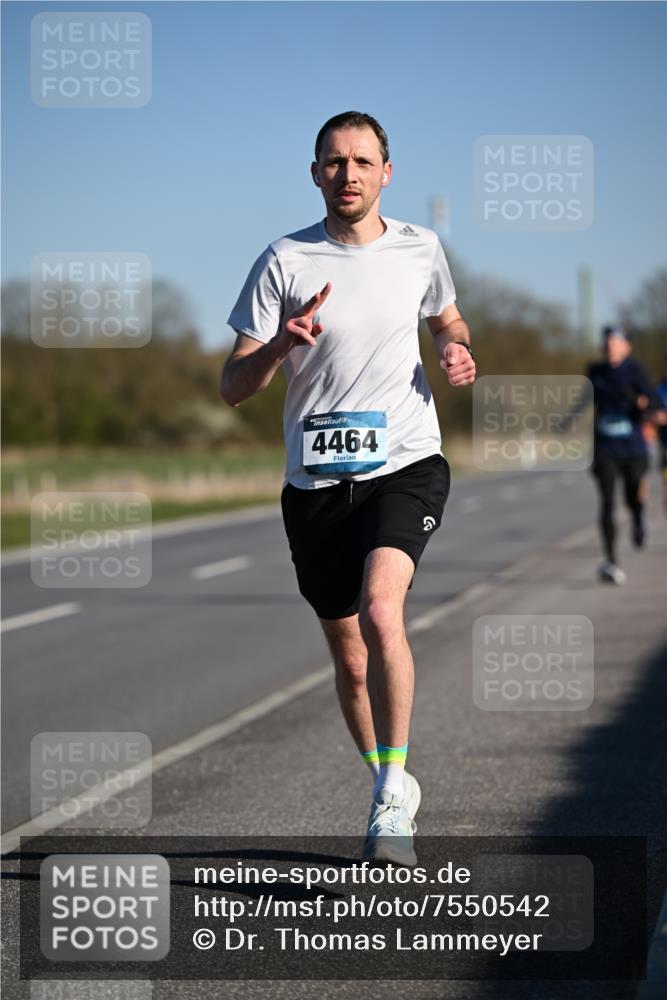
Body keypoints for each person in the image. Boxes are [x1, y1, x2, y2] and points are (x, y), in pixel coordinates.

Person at [221, 111, 475, 866]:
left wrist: (456, 350)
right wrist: (279, 344)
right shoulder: (283, 260)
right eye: (334, 162)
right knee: (351, 657)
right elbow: (233, 386)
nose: (348, 174)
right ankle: (386, 778)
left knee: (380, 609)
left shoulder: (420, 247)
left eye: (362, 161)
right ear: (314, 173)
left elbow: (447, 320)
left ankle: (391, 797)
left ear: (386, 173)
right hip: (316, 484)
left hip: (405, 462)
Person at [587, 326, 653, 584]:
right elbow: (585, 399)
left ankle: (638, 517)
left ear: (627, 347)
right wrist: (566, 420)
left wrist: (644, 404)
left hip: (633, 448)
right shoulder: (595, 371)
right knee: (606, 503)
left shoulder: (636, 370)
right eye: (607, 343)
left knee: (632, 494)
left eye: (615, 343)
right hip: (605, 448)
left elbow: (652, 400)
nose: (610, 347)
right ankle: (611, 561)